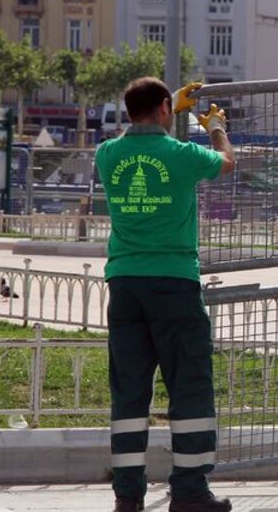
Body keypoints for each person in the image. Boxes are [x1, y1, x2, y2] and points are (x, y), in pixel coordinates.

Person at [95, 77, 236, 512]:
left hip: (124, 286)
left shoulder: (107, 154)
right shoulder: (182, 155)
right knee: (190, 388)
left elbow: (139, 134)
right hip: (174, 283)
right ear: (162, 110)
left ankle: (127, 496)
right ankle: (190, 492)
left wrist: (167, 106)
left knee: (130, 394)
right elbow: (227, 162)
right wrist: (213, 125)